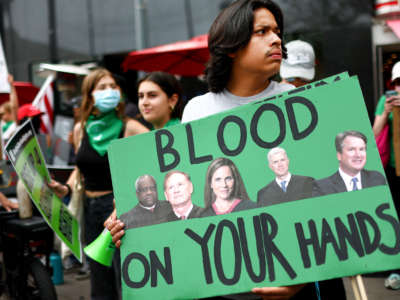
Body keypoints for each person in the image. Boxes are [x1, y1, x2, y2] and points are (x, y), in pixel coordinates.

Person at [48, 68, 148, 300]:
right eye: (102, 88)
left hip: (118, 210)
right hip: (90, 209)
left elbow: (157, 154)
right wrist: (66, 189)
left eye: (113, 87)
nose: (109, 91)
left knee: (125, 278)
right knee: (99, 279)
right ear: (90, 95)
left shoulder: (129, 127)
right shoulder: (81, 129)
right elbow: (81, 170)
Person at [312, 130, 386, 197]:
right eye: (351, 149)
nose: (358, 155)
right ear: (339, 155)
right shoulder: (322, 187)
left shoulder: (377, 179)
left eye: (361, 149)